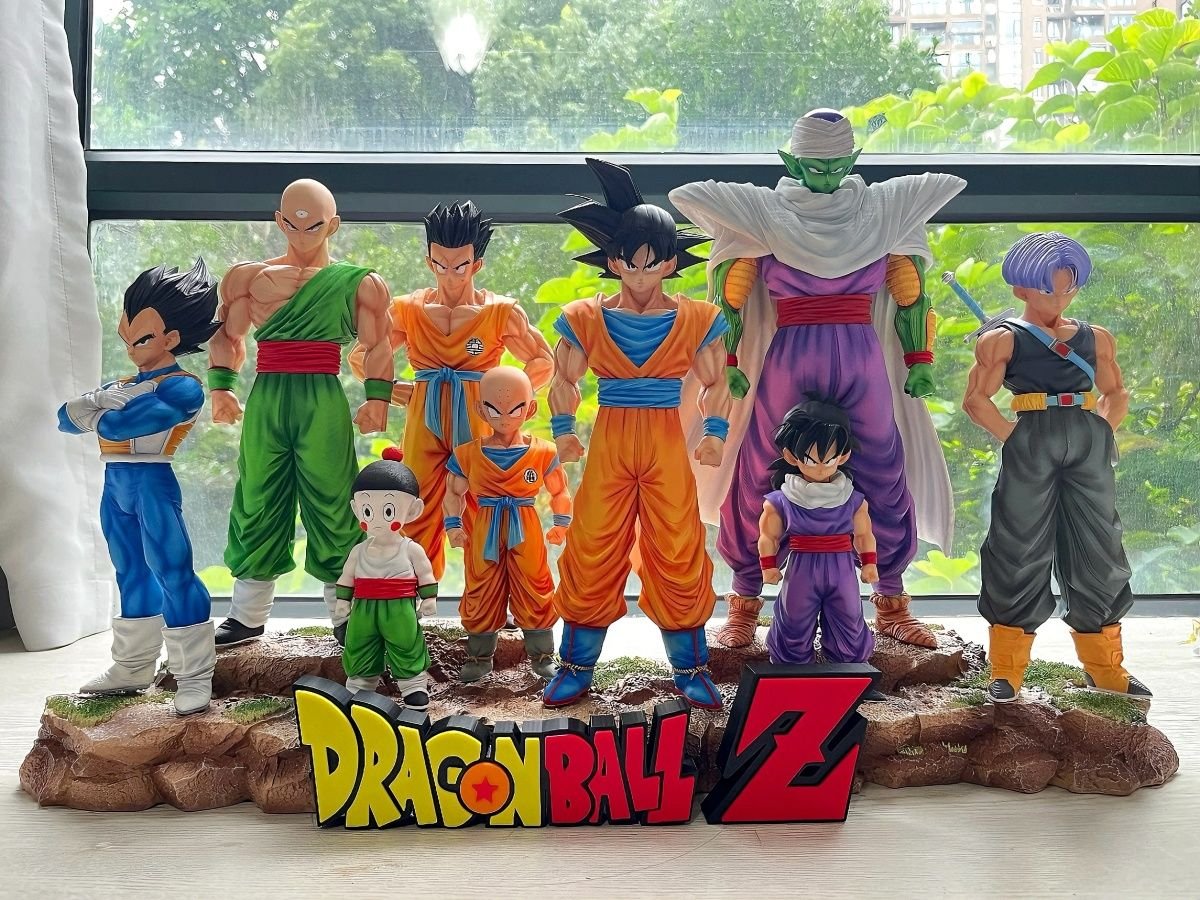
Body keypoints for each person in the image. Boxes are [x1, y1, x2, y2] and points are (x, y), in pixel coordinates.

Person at [669, 109, 965, 651]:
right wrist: (730, 362)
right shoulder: (765, 215)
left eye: (836, 167)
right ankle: (744, 599)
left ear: (853, 160)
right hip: (790, 353)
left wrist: (919, 359)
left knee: (881, 468)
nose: (826, 177)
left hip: (861, 354)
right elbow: (729, 298)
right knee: (762, 466)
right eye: (814, 167)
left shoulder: (881, 212)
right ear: (790, 161)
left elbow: (910, 293)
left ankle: (892, 601)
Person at [543, 158, 732, 710]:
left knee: (678, 544)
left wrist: (715, 432)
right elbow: (563, 377)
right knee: (592, 543)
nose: (641, 273)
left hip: (665, 440)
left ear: (670, 262)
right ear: (613, 261)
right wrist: (563, 431)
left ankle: (690, 667)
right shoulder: (584, 316)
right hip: (610, 438)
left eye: (652, 263)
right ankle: (576, 665)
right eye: (629, 261)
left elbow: (717, 381)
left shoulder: (698, 318)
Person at [962, 232, 1151, 703]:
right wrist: (1014, 437)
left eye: (1070, 288)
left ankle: (1106, 668)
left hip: (1086, 439)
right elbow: (976, 400)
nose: (1061, 298)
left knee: (1100, 546)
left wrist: (1101, 431)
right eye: (1050, 289)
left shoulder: (1095, 337)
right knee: (1017, 545)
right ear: (1021, 288)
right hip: (1032, 435)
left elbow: (1116, 393)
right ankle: (1007, 670)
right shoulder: (1002, 340)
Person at [207, 179, 394, 647]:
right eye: (293, 223)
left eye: (314, 224)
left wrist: (377, 398)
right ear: (279, 221)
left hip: (322, 394)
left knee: (334, 496)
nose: (303, 232)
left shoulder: (359, 283)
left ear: (333, 225)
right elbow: (227, 337)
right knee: (257, 493)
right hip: (268, 393)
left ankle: (345, 612)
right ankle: (247, 614)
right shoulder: (248, 278)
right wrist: (221, 387)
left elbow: (379, 344)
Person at [350, 201, 554, 588]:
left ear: (476, 264)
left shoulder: (500, 311)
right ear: (429, 261)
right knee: (413, 501)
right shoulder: (407, 309)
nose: (450, 274)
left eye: (460, 266)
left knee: (484, 503)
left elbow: (543, 361)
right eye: (440, 264)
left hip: (479, 418)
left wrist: (510, 404)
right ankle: (409, 593)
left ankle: (491, 597)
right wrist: (394, 391)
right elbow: (363, 356)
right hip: (423, 418)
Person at [60, 259, 220, 715]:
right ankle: (132, 666)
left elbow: (120, 424)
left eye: (143, 339)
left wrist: (94, 408)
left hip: (153, 481)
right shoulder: (123, 384)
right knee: (129, 571)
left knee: (172, 570)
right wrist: (95, 402)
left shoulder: (184, 387)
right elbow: (64, 420)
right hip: (115, 484)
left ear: (171, 338)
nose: (131, 349)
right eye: (125, 338)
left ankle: (194, 675)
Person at [444, 366, 571, 682]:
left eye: (514, 409)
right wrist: (453, 525)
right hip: (484, 526)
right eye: (493, 408)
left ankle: (542, 656)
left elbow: (560, 490)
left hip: (525, 525)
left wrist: (561, 523)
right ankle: (478, 657)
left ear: (530, 409)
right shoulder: (467, 454)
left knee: (535, 584)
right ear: (479, 409)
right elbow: (453, 492)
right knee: (481, 586)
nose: (504, 416)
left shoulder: (543, 452)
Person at [758, 399, 883, 701]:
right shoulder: (782, 499)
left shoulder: (853, 498)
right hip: (802, 567)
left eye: (829, 459)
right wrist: (768, 566)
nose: (821, 467)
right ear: (791, 456)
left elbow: (864, 534)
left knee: (848, 616)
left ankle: (852, 675)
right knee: (793, 618)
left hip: (842, 567)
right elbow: (768, 536)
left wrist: (869, 564)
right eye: (811, 460)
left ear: (843, 455)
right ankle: (790, 676)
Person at [334, 448, 435, 710]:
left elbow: (425, 573)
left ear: (413, 510)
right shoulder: (359, 551)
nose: (377, 520)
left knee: (406, 643)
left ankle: (413, 686)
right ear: (356, 510)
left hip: (399, 607)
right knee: (360, 643)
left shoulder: (410, 549)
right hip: (363, 608)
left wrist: (429, 598)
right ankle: (360, 685)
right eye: (368, 511)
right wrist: (342, 602)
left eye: (388, 511)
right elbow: (347, 576)